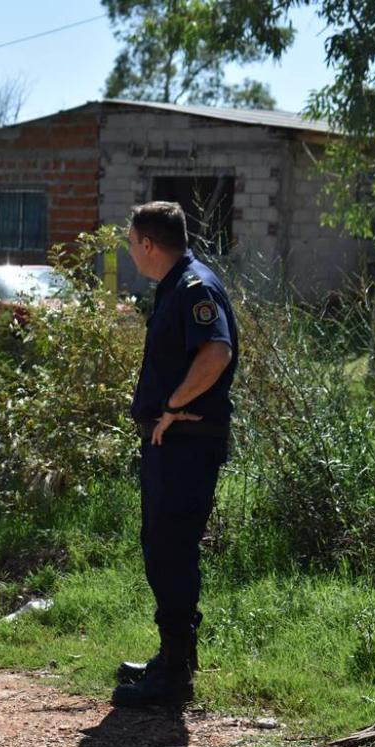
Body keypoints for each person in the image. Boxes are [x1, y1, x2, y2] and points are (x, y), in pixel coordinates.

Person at [112, 202, 238, 707]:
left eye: (130, 241)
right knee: (165, 547)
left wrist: (171, 406)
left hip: (186, 442)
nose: (128, 250)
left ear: (147, 244)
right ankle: (175, 657)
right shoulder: (176, 285)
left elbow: (216, 352)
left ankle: (174, 678)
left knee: (171, 547)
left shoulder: (194, 287)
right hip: (173, 442)